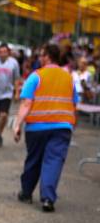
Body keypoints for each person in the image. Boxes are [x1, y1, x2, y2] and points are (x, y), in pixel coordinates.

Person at [13, 44, 79, 212]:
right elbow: (75, 104)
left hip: (37, 127)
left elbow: (27, 103)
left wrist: (17, 125)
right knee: (54, 161)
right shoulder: (69, 78)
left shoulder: (36, 76)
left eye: (41, 55)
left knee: (34, 159)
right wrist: (72, 123)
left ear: (47, 56)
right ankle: (48, 199)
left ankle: (26, 193)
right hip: (63, 127)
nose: (39, 58)